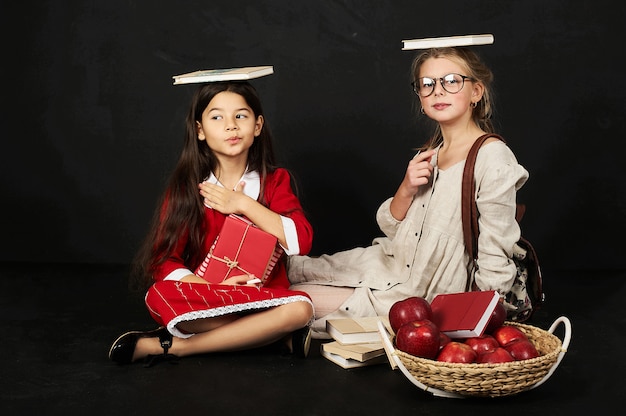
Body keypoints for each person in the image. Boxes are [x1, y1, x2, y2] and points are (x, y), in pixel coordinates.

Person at [288, 46, 529, 338]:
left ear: (476, 91)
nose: (438, 91)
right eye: (427, 84)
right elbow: (394, 229)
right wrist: (406, 188)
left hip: (423, 291)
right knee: (293, 272)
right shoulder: (432, 153)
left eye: (451, 81)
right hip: (388, 266)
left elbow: (495, 254)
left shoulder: (492, 158)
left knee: (292, 300)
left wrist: (481, 321)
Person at [109, 80, 315, 366]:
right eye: (217, 117)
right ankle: (269, 337)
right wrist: (208, 285)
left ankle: (175, 347)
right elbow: (163, 260)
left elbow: (301, 241)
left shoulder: (275, 181)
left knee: (300, 310)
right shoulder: (186, 189)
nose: (230, 126)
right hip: (211, 299)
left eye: (240, 116)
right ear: (200, 130)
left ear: (257, 126)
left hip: (261, 299)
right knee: (157, 296)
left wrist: (243, 204)